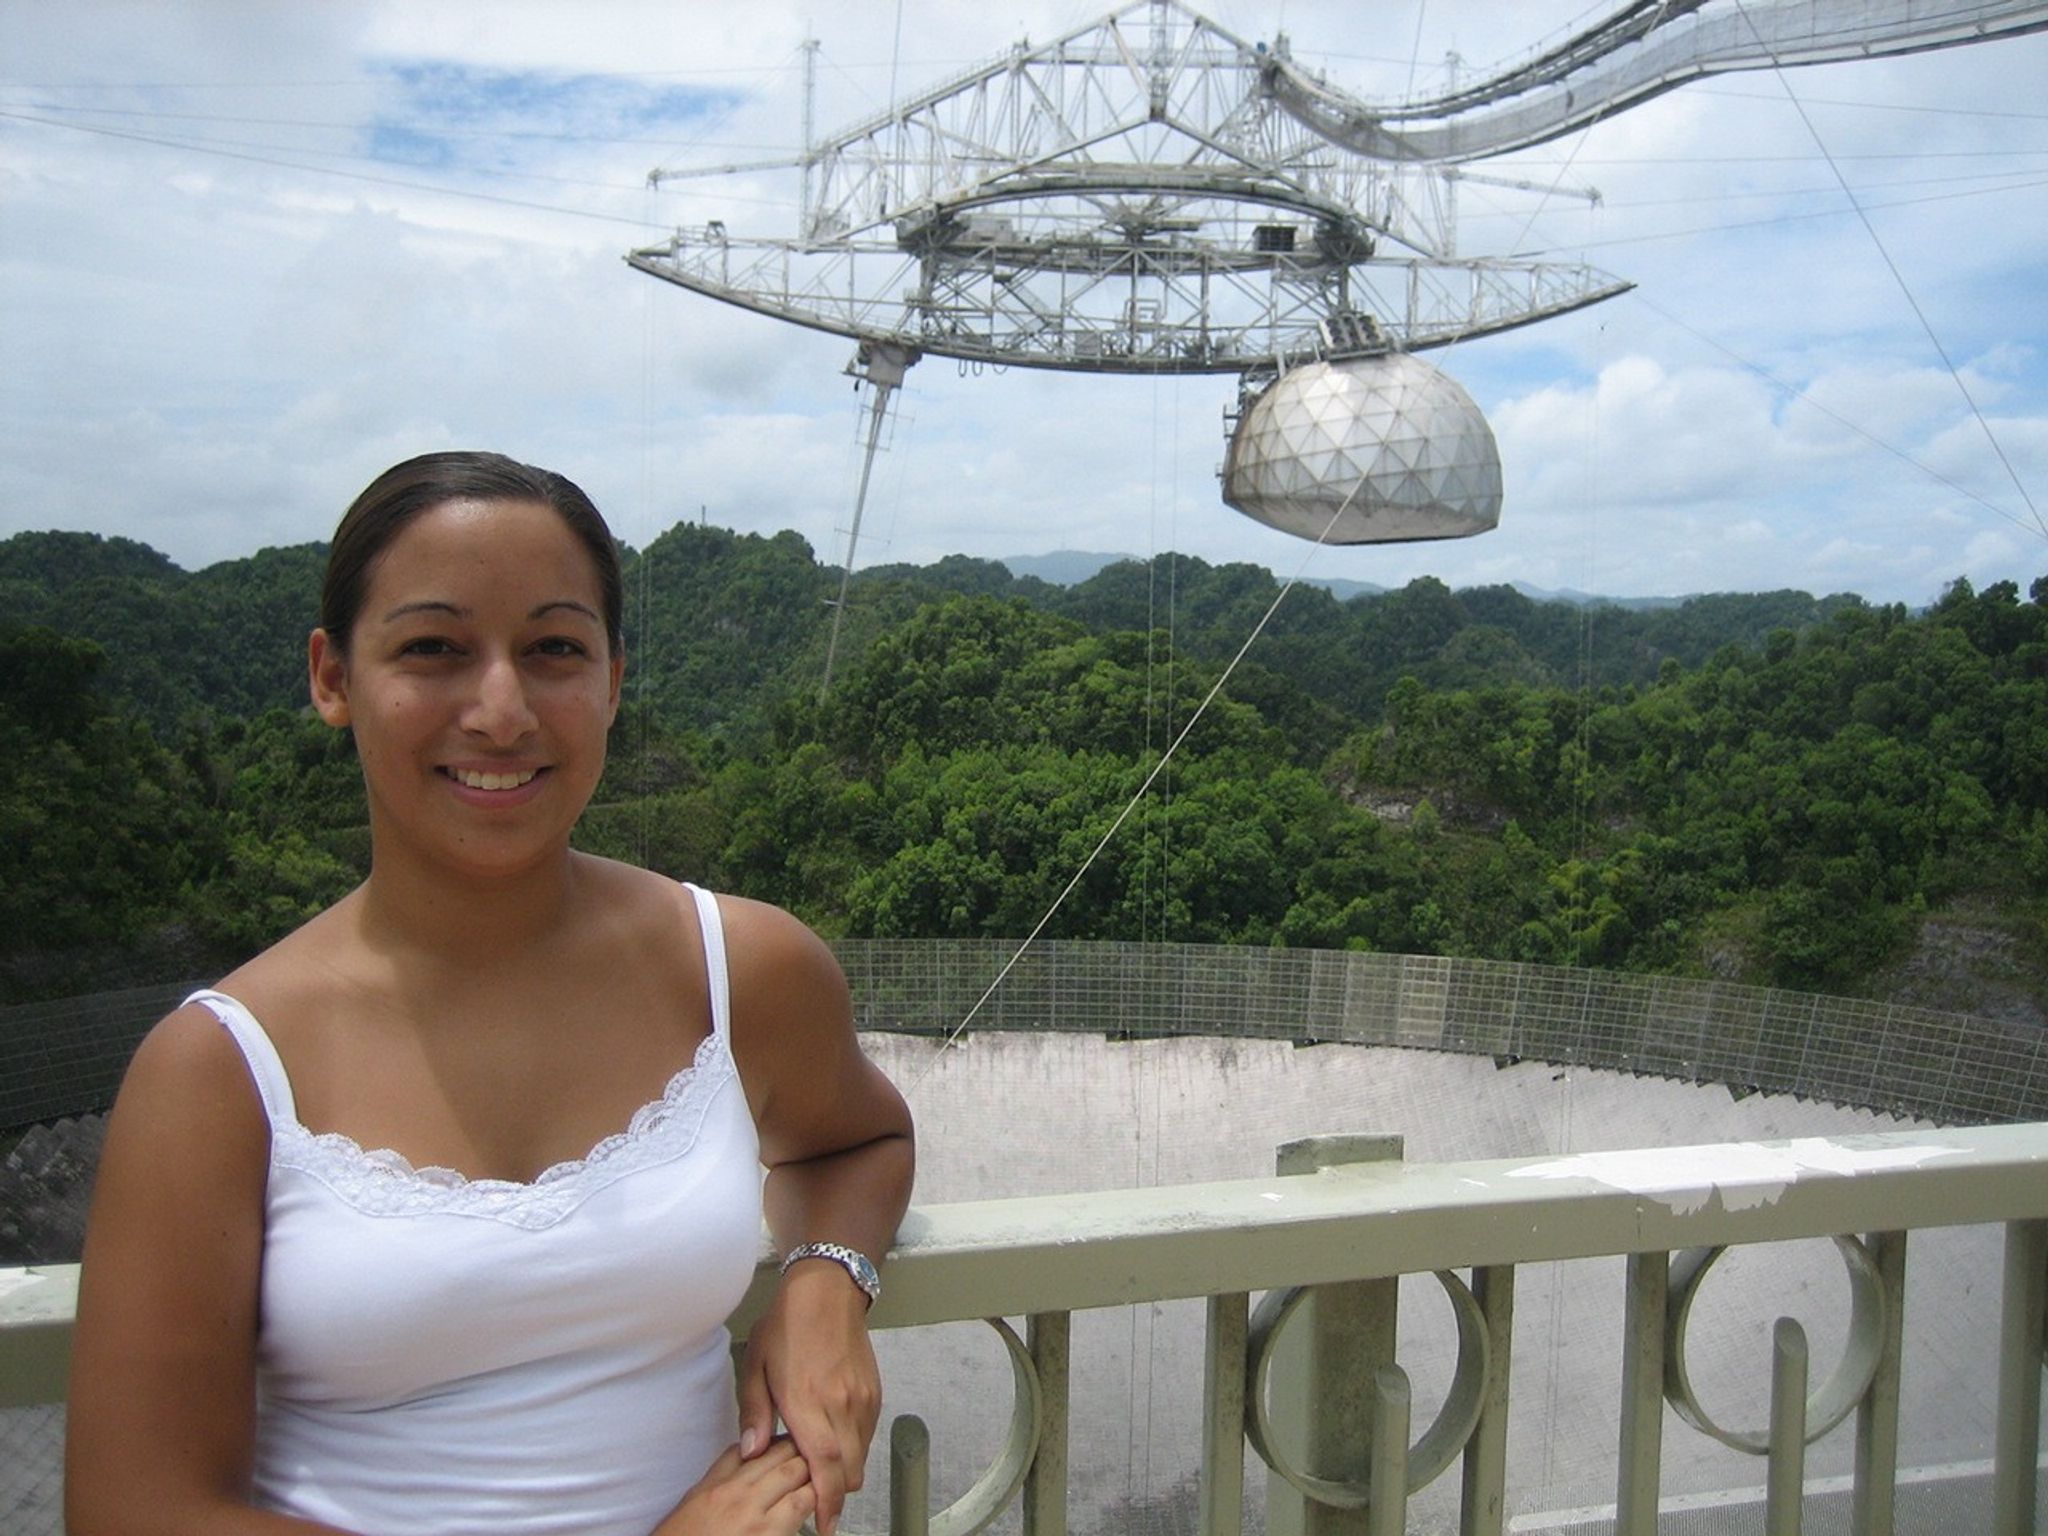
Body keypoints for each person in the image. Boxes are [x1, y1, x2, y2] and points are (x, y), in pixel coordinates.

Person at [65, 451, 914, 1536]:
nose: (501, 710)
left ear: (613, 676)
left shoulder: (736, 969)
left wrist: (824, 1282)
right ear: (332, 678)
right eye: (434, 650)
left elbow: (855, 1142)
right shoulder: (221, 1069)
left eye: (554, 649)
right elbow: (137, 1510)